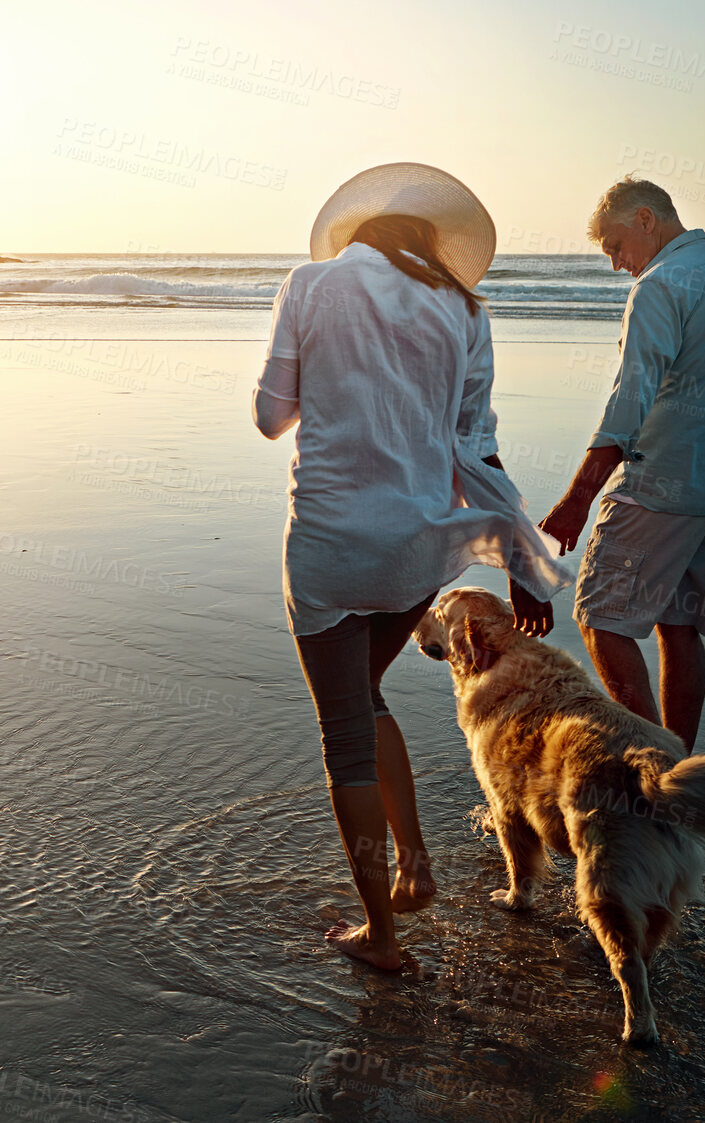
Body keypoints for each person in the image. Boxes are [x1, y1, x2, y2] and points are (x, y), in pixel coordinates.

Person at [253, 164, 572, 970]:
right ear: (433, 244)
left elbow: (269, 419)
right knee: (364, 696)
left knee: (345, 741)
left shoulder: (310, 285)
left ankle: (383, 936)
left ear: (352, 232)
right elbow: (477, 444)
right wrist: (522, 562)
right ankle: (415, 864)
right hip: (418, 553)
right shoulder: (464, 308)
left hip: (329, 545)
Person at [538, 177, 705, 750]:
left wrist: (577, 499)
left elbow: (629, 400)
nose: (618, 264)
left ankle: (654, 768)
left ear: (645, 219)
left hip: (661, 487)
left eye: (616, 247)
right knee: (680, 626)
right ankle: (683, 772)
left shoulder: (660, 283)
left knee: (600, 619)